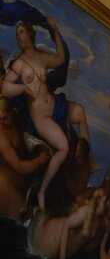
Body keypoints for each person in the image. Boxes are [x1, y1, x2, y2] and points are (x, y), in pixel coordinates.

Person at [2, 20, 68, 212]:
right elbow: (5, 87)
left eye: (21, 32)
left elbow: (61, 59)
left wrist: (55, 31)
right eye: (17, 34)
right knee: (64, 147)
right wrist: (23, 88)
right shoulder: (19, 64)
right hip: (41, 117)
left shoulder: (41, 57)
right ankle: (42, 192)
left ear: (30, 33)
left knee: (77, 114)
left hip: (54, 107)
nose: (19, 37)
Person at [27, 187, 110, 259]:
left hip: (73, 253)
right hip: (61, 245)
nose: (108, 204)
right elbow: (66, 226)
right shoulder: (85, 213)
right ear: (97, 203)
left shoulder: (99, 220)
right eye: (105, 202)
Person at [0, 96, 49, 218]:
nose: (1, 123)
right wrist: (39, 160)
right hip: (7, 187)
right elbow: (19, 166)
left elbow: (28, 137)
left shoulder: (19, 120)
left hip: (26, 179)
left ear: (12, 113)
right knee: (24, 221)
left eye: (4, 118)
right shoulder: (2, 138)